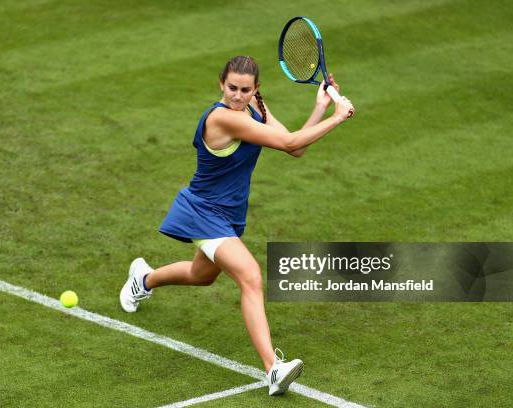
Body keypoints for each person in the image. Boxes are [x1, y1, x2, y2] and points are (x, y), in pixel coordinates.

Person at [120, 56, 353, 396]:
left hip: (228, 214)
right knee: (251, 275)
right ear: (221, 85)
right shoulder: (222, 118)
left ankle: (143, 279)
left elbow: (295, 147)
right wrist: (338, 117)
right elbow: (289, 144)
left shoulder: (256, 106)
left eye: (245, 89)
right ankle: (273, 368)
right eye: (232, 88)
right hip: (203, 211)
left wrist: (318, 107)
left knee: (202, 276)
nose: (238, 95)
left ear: (256, 89)